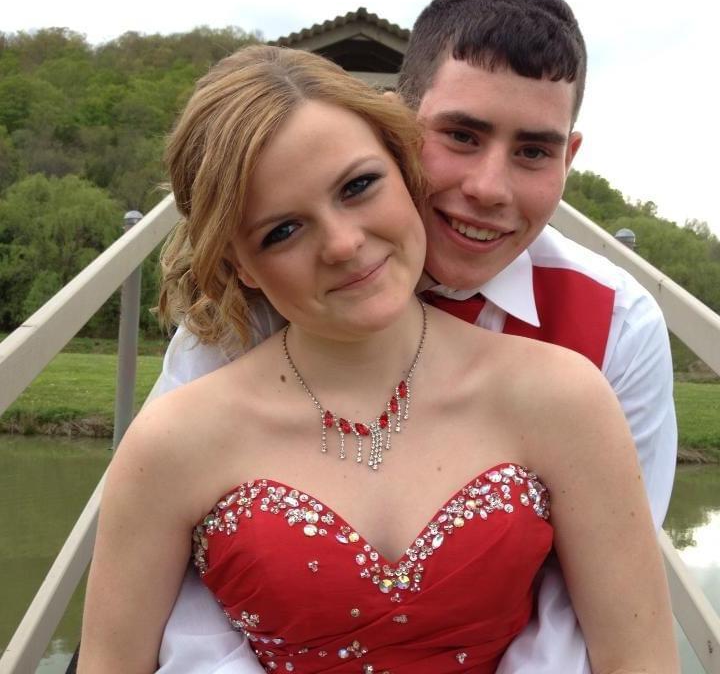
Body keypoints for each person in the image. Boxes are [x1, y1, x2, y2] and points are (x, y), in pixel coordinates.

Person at [78, 45, 677, 674]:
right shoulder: (171, 443)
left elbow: (638, 659)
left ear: (406, 169)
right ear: (240, 265)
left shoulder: (564, 397)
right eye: (282, 231)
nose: (343, 244)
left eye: (358, 186)